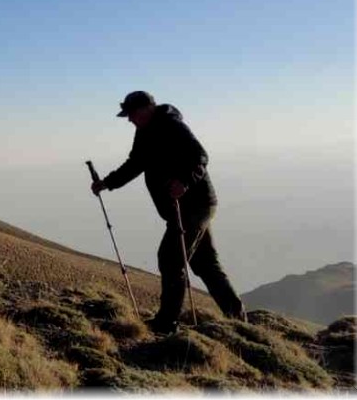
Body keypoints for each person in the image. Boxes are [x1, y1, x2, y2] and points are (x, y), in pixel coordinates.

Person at [91, 90, 246, 334]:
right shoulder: (144, 131)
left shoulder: (172, 125)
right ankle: (238, 320)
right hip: (186, 208)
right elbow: (136, 163)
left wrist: (183, 181)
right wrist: (107, 183)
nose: (129, 120)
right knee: (205, 264)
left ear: (146, 109)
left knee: (171, 259)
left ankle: (166, 324)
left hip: (194, 206)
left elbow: (200, 156)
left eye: (131, 114)